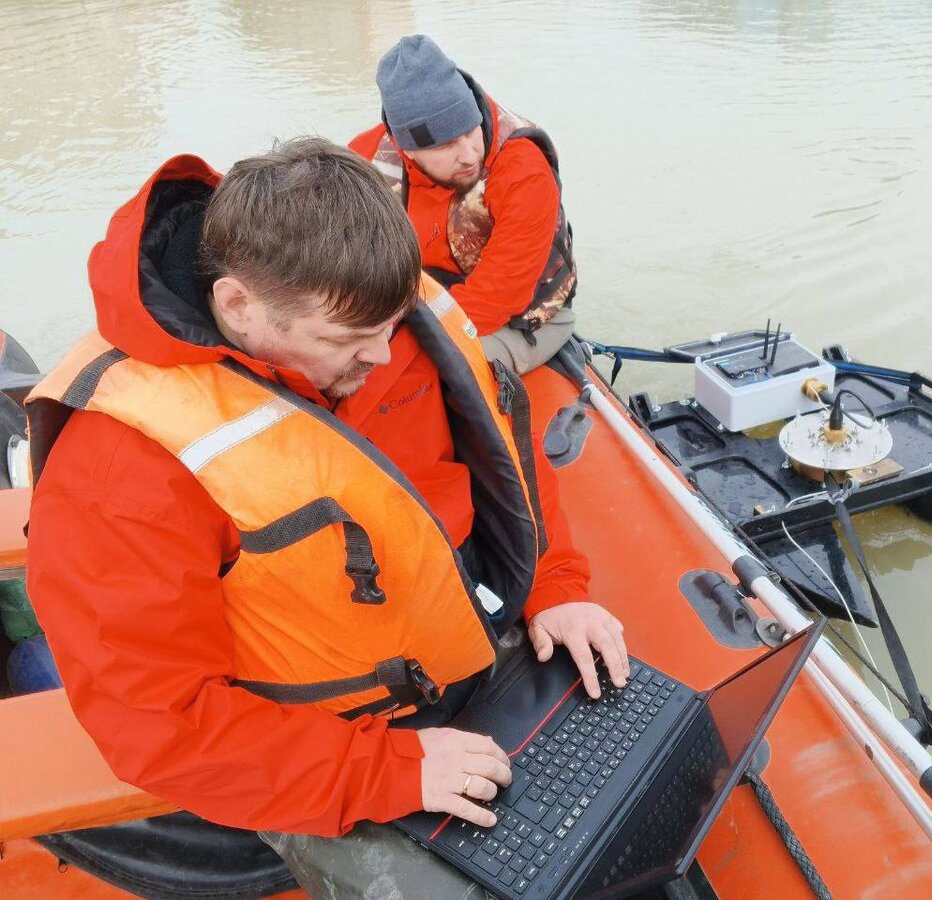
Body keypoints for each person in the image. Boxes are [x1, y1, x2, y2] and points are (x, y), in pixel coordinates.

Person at [25, 138, 627, 897]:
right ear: (238, 304)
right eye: (348, 342)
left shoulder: (377, 306)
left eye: (394, 324)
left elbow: (505, 451)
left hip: (474, 648)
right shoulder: (118, 473)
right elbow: (160, 721)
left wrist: (558, 583)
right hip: (329, 745)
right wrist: (388, 772)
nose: (383, 356)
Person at [350, 35, 578, 376]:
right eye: (447, 145)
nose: (471, 154)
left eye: (470, 131)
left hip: (517, 321)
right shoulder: (364, 160)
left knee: (410, 376)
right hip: (414, 303)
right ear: (404, 148)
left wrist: (393, 342)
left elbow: (495, 300)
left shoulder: (523, 169)